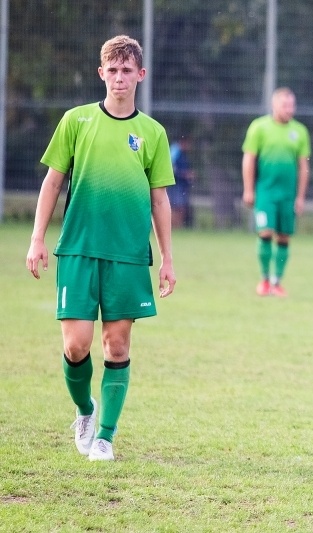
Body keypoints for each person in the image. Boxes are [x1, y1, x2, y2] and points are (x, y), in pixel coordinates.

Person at [25, 35, 176, 461]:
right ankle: (86, 410)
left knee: (117, 345)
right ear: (101, 73)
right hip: (78, 248)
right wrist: (37, 238)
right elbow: (53, 181)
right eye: (112, 69)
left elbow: (160, 199)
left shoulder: (152, 133)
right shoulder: (76, 121)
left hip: (128, 253)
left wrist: (167, 259)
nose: (119, 77)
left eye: (127, 70)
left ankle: (106, 437)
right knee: (75, 345)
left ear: (140, 75)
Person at [242, 87, 311, 297]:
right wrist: (248, 189)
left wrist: (300, 197)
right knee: (265, 233)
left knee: (283, 238)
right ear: (274, 105)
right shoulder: (259, 127)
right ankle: (264, 280)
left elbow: (303, 167)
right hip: (265, 192)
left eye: (292, 105)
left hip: (287, 195)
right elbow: (249, 159)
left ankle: (277, 281)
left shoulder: (300, 131)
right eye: (285, 105)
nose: (290, 109)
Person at [167, 136, 196, 228]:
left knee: (181, 207)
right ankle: (173, 226)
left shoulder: (181, 153)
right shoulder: (175, 151)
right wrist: (185, 174)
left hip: (180, 185)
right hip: (175, 185)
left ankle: (177, 226)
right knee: (177, 207)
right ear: (184, 142)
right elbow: (171, 169)